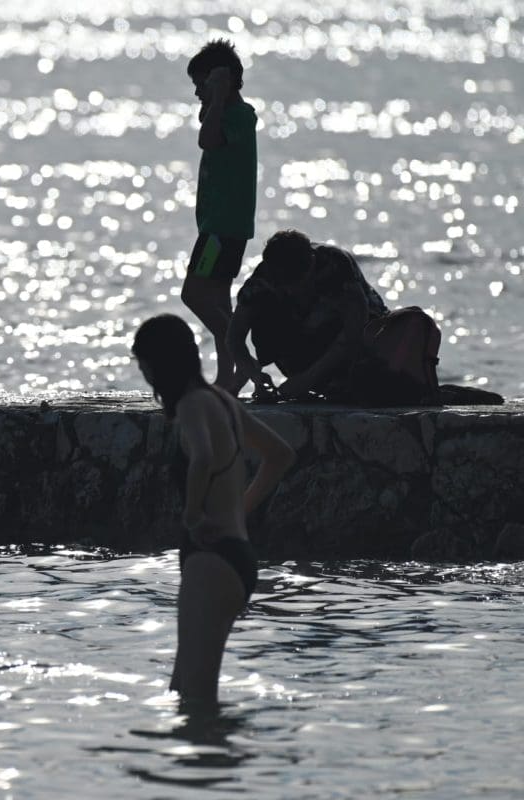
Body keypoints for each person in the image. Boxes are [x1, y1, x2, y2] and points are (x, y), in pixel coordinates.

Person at [132, 314, 294, 707]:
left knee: (197, 700)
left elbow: (203, 457)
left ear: (159, 364)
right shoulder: (223, 401)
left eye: (144, 366)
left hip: (211, 562)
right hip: (236, 557)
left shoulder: (192, 405)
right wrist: (240, 509)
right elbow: (280, 455)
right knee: (182, 690)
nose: (146, 376)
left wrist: (192, 514)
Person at [180, 39, 258, 394]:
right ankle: (228, 378)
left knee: (194, 295)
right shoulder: (221, 112)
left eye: (202, 84)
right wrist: (215, 95)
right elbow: (205, 121)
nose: (197, 92)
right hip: (220, 227)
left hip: (222, 230)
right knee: (219, 300)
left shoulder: (240, 116)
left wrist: (220, 93)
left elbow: (207, 139)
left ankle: (245, 362)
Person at [227, 229, 388, 400]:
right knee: (265, 315)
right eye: (284, 285)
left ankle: (337, 380)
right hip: (306, 338)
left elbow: (354, 330)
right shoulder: (262, 280)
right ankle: (312, 379)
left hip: (361, 337)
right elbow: (234, 338)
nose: (292, 290)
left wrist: (307, 379)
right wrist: (255, 376)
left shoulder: (335, 265)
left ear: (312, 262)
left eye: (298, 282)